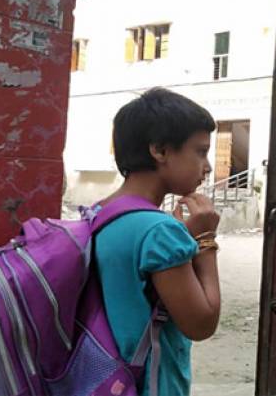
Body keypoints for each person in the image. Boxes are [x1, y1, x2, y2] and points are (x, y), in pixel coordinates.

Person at [92, 87, 221, 396]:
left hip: (101, 380)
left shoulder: (99, 212)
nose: (207, 166)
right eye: (200, 151)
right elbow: (201, 324)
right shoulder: (160, 231)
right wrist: (205, 242)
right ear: (160, 151)